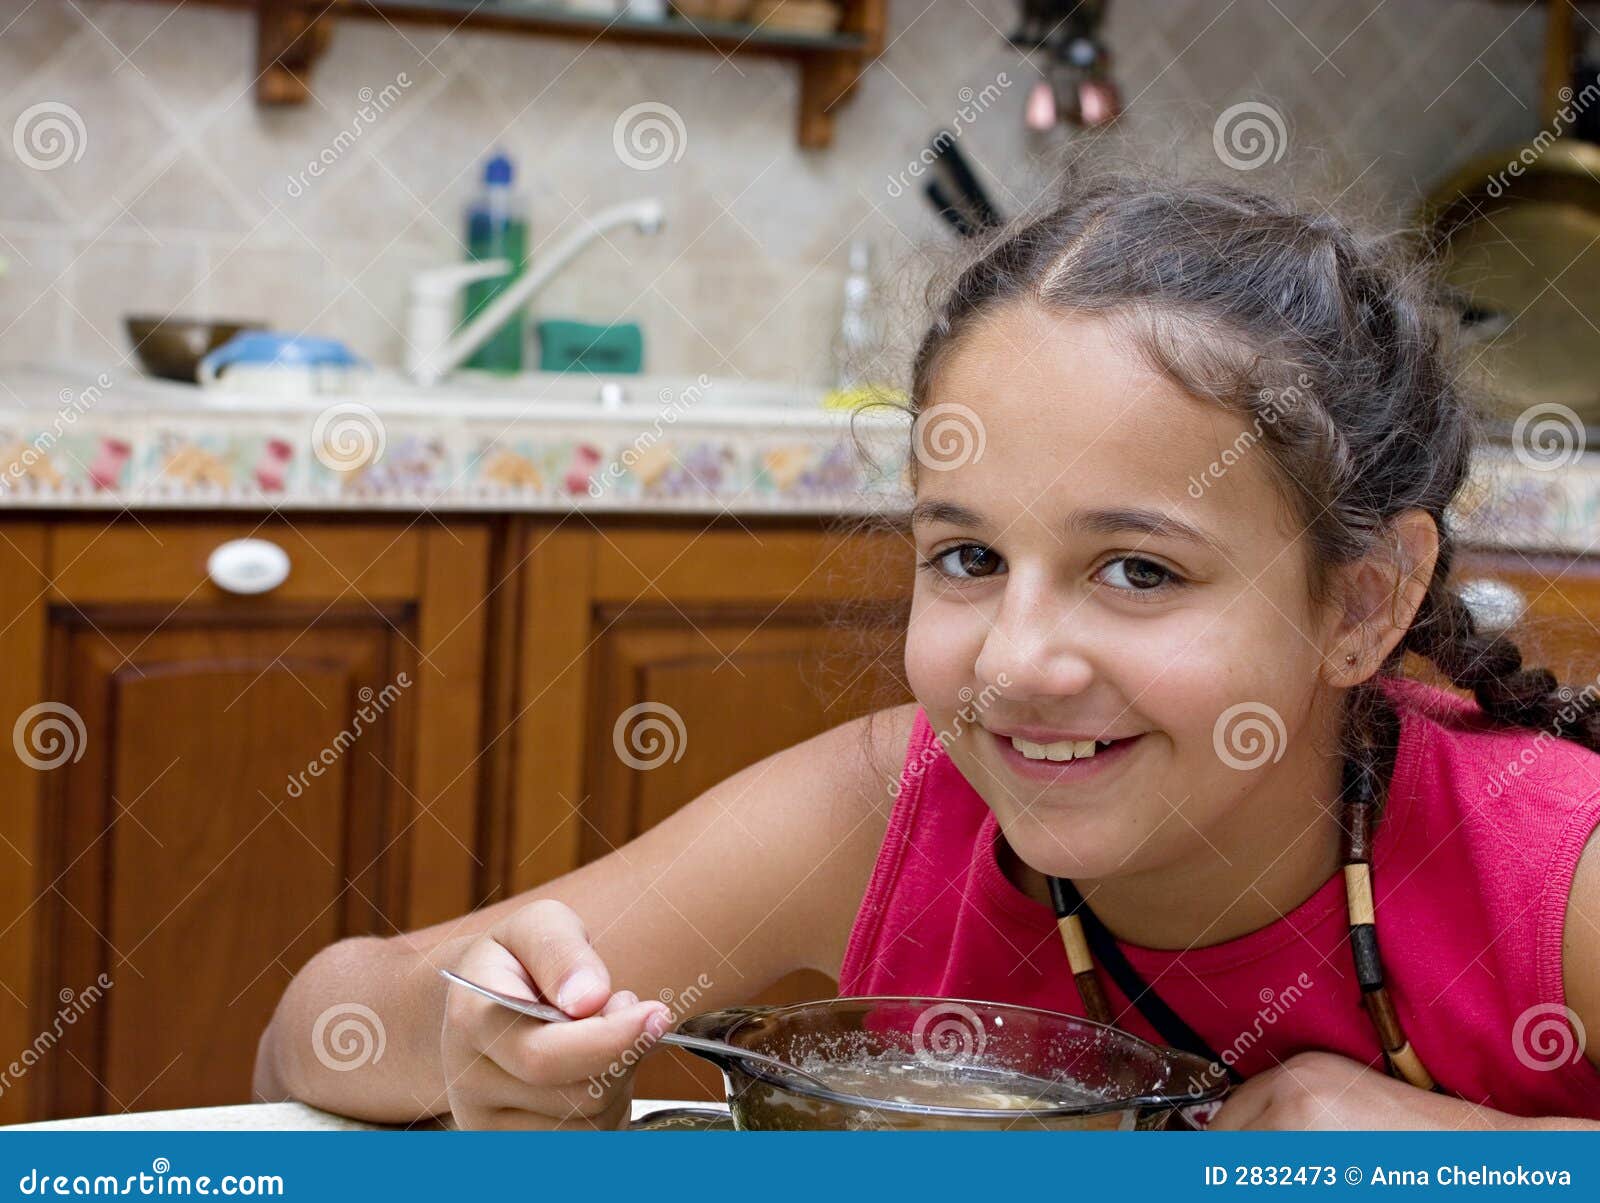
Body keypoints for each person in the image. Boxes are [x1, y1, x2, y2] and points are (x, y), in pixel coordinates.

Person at [255, 171, 1600, 1130]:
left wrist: (1488, 1165)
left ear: (1362, 603)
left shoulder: (1556, 877)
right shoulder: (888, 811)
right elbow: (313, 1032)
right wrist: (492, 1039)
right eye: (967, 558)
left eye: (1139, 571)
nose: (1016, 661)